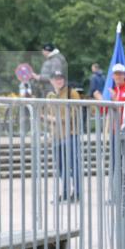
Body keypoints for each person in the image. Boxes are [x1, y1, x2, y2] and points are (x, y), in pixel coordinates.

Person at [45, 71, 82, 201]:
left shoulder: (71, 93)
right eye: (56, 79)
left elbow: (73, 115)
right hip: (57, 136)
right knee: (60, 166)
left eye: (61, 78)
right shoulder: (50, 95)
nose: (59, 81)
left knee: (73, 164)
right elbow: (46, 114)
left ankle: (77, 193)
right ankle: (66, 192)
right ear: (51, 81)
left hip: (71, 134)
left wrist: (53, 119)